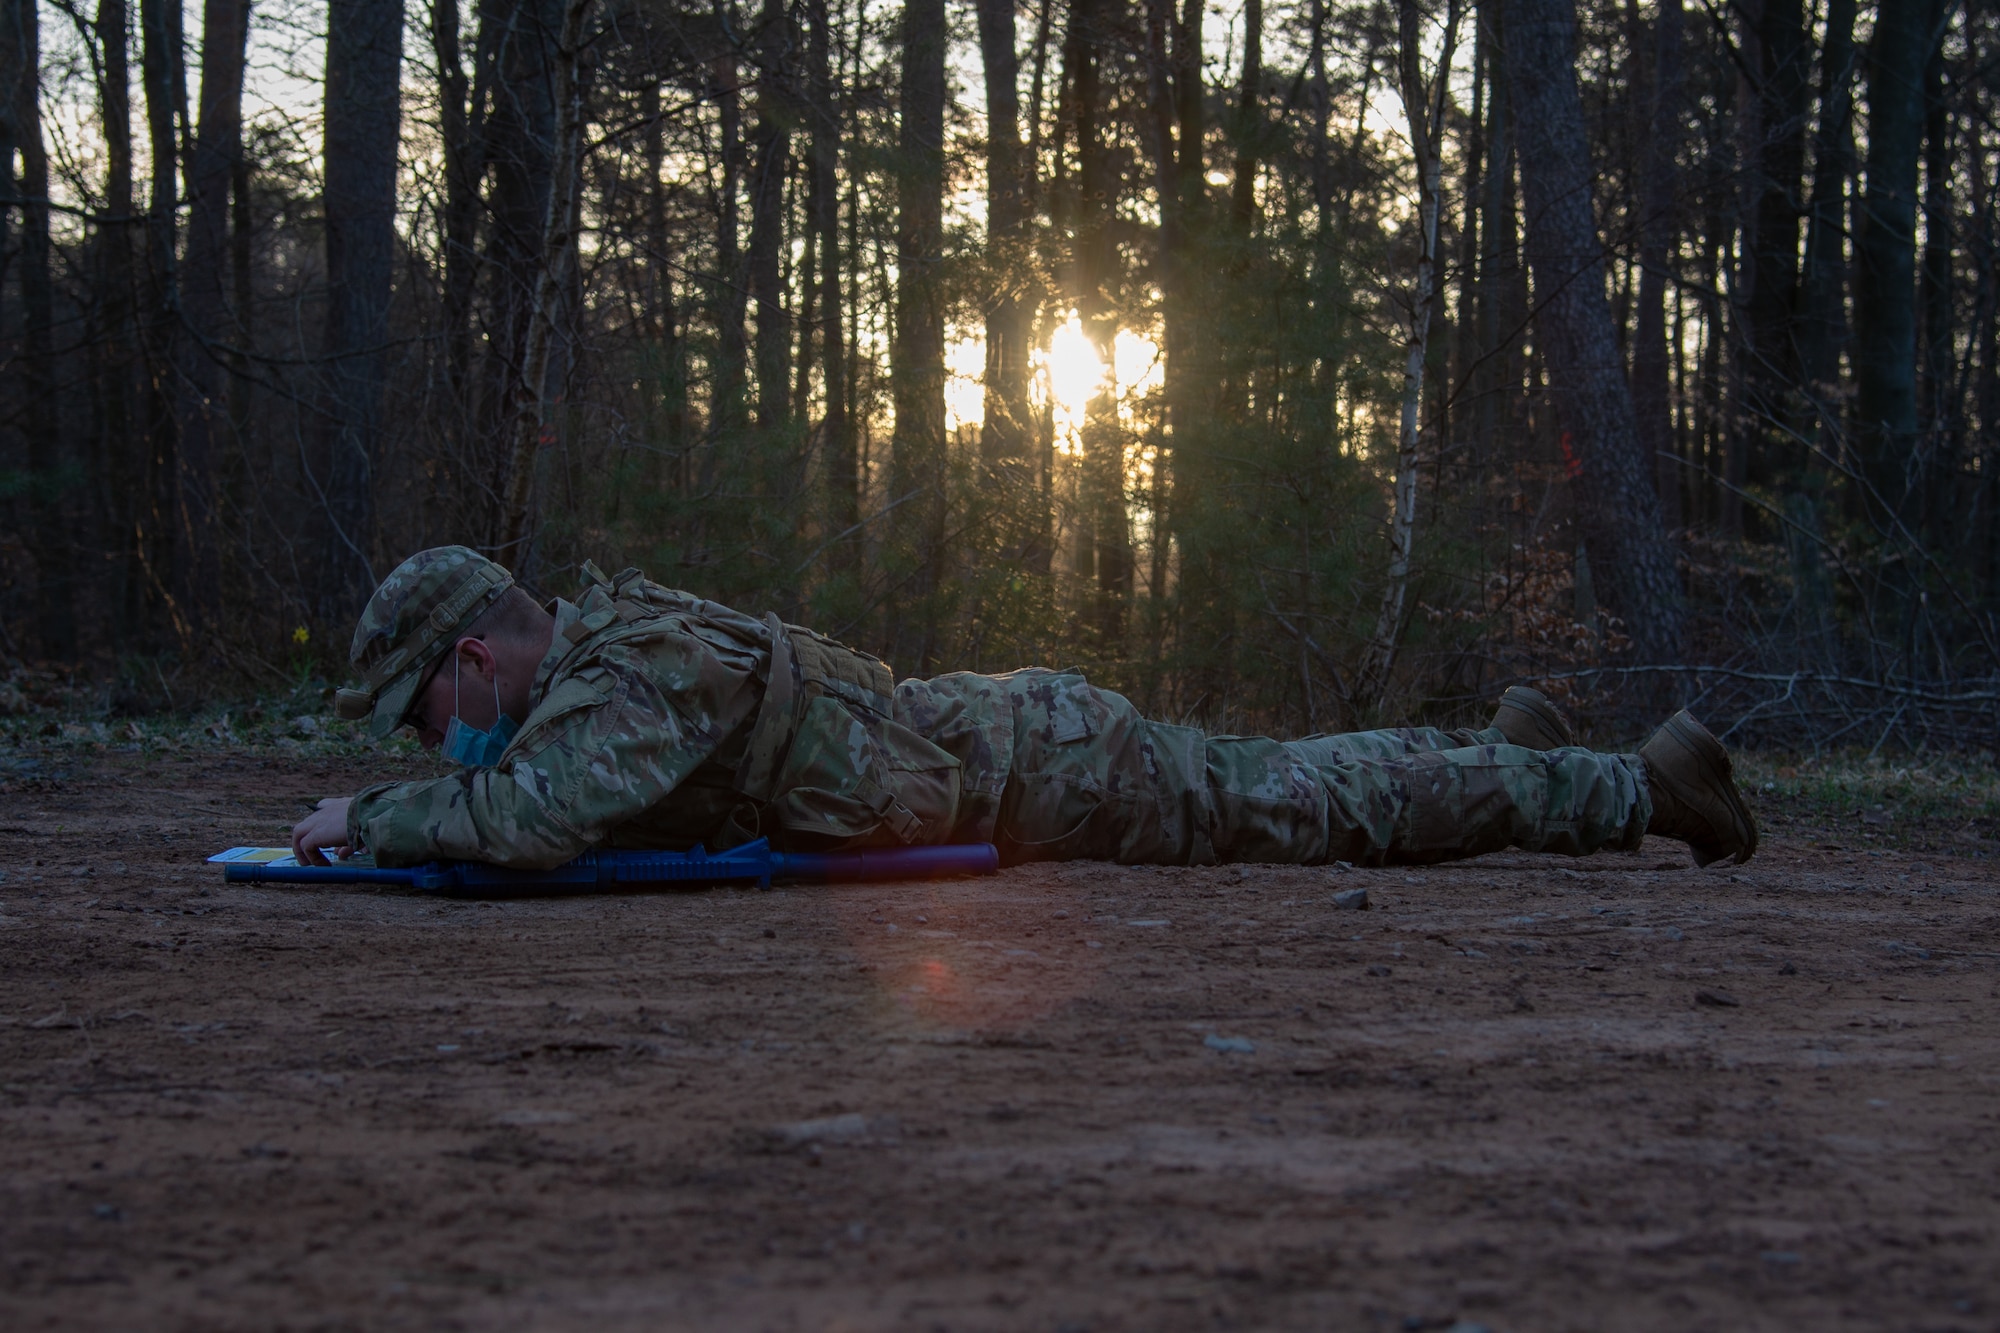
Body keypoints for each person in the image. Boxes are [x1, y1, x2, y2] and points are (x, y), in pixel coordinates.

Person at [289, 547, 1757, 872]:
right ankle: (1500, 752)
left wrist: (374, 822)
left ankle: (1642, 787)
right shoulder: (612, 652)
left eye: (424, 717)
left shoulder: (627, 678)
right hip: (1011, 744)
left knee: (1311, 805)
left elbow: (536, 818)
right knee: (1288, 772)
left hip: (1041, 769)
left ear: (476, 658)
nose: (433, 743)